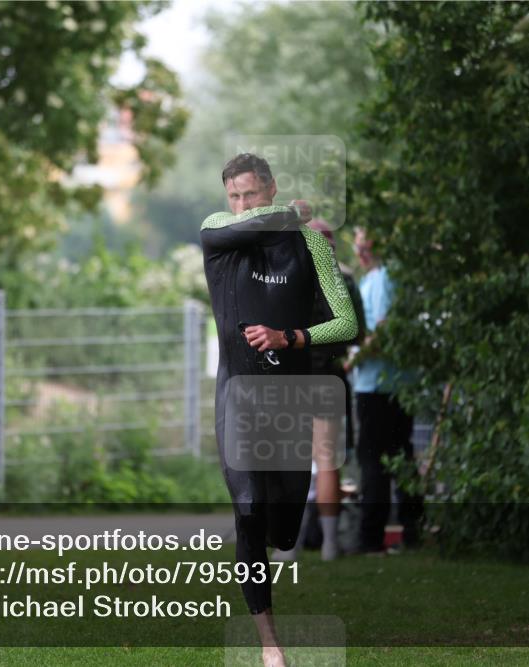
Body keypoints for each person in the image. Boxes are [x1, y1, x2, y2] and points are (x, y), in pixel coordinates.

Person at [200, 153, 358, 667]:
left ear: (270, 189)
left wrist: (291, 337)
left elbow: (347, 323)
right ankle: (271, 645)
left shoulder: (310, 243)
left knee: (283, 528)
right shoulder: (217, 232)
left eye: (250, 194)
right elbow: (253, 222)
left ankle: (281, 541)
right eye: (234, 197)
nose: (241, 206)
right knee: (247, 510)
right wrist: (295, 210)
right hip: (239, 395)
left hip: (290, 397)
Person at [271, 218, 365, 562]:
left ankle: (291, 545)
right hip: (329, 376)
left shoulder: (287, 280)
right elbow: (357, 333)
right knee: (327, 462)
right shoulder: (346, 282)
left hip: (294, 377)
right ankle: (329, 545)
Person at [348, 227, 423, 554]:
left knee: (374, 462)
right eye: (358, 246)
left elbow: (383, 329)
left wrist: (352, 360)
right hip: (395, 383)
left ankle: (371, 537)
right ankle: (411, 531)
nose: (361, 252)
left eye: (367, 246)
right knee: (399, 455)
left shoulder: (384, 279)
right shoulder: (378, 278)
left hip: (379, 385)